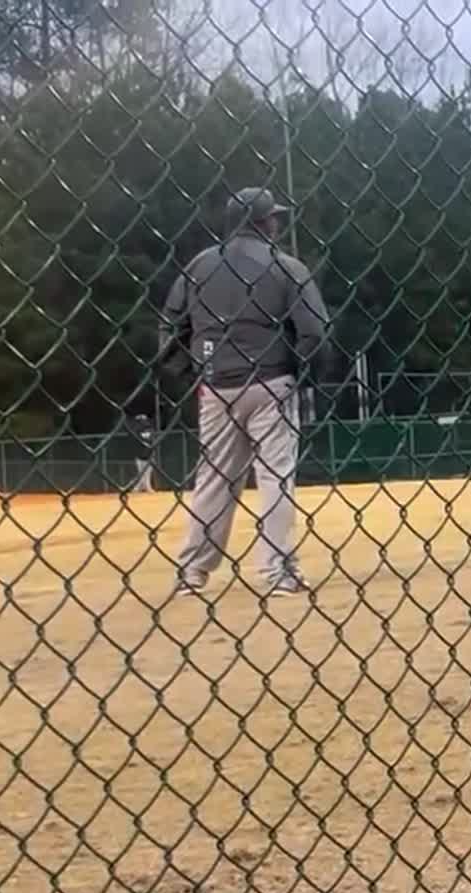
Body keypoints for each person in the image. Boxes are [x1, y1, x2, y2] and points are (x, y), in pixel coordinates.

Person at [161, 187, 333, 597]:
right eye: (273, 217)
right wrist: (301, 373)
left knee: (214, 479)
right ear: (262, 222)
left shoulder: (200, 267)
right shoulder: (285, 265)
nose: (277, 222)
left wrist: (193, 372)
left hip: (216, 385)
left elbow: (172, 327)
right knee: (275, 476)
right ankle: (278, 572)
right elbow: (314, 331)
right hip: (271, 381)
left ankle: (192, 572)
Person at [130, 412, 156, 493]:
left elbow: (151, 440)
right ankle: (140, 487)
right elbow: (136, 440)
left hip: (149, 454)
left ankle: (145, 487)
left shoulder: (150, 429)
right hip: (140, 455)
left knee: (147, 473)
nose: (142, 422)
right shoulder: (136, 431)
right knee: (141, 473)